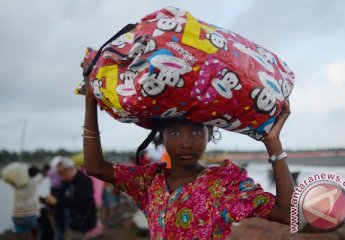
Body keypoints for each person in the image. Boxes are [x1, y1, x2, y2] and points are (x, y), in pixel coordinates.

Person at [81, 63, 295, 239]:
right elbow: (95, 167)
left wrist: (273, 142)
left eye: (196, 132)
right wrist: (90, 99)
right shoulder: (149, 182)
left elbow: (288, 214)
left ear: (210, 135)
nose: (186, 142)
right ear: (161, 136)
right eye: (174, 133)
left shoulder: (223, 184)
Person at [45, 158, 97, 240]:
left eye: (63, 174)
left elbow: (81, 202)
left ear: (70, 169)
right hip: (69, 220)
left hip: (81, 221)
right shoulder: (66, 182)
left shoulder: (85, 181)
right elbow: (60, 197)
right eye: (60, 175)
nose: (62, 177)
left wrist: (57, 201)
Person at [10, 165, 42, 240]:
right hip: (30, 214)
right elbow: (41, 174)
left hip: (16, 215)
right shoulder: (35, 181)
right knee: (35, 232)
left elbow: (10, 179)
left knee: (18, 235)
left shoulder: (18, 182)